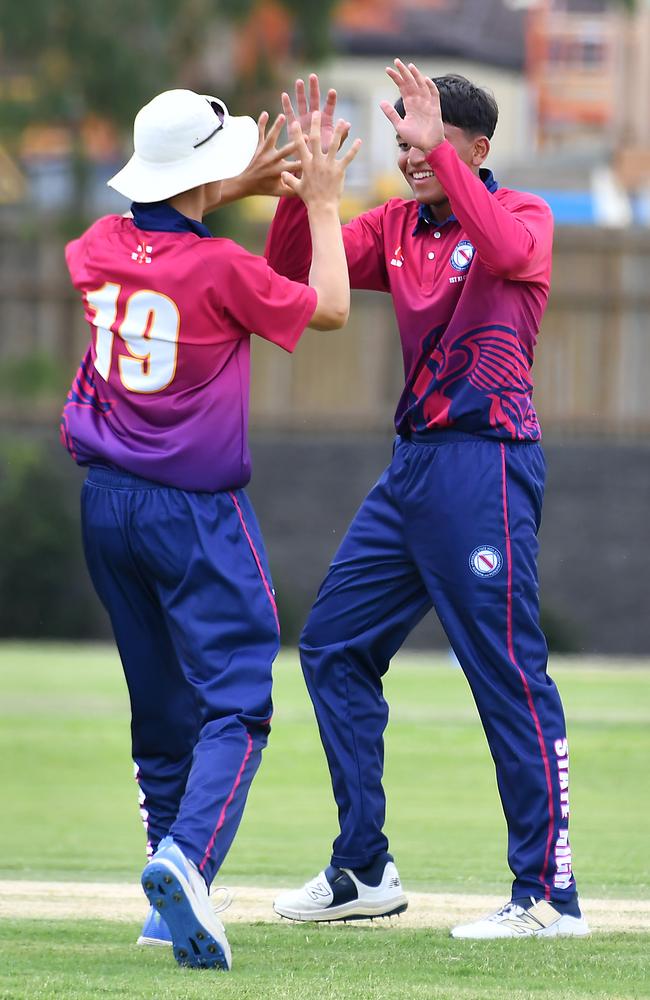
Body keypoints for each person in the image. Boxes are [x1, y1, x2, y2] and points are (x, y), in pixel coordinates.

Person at [266, 61, 589, 938]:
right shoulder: (398, 227)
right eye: (402, 130)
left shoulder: (523, 212)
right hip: (410, 470)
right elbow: (292, 276)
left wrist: (436, 149)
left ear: (478, 147)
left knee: (508, 675)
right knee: (331, 647)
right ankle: (363, 867)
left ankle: (549, 898)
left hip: (485, 465)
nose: (408, 148)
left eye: (425, 131)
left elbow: (508, 251)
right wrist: (307, 191)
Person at [61, 87, 360, 969]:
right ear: (203, 171)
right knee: (238, 699)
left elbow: (157, 229)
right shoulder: (224, 273)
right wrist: (322, 202)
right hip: (191, 512)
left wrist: (219, 186)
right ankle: (186, 860)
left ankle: (164, 892)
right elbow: (332, 307)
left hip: (105, 504)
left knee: (160, 708)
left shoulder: (95, 249)